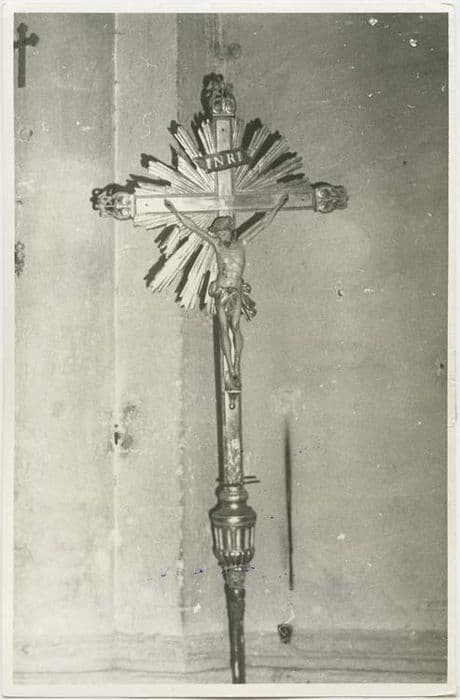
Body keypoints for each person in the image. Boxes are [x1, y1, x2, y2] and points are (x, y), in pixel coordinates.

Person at [164, 193, 288, 389]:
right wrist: (174, 211)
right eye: (217, 233)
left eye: (221, 232)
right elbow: (193, 227)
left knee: (235, 326)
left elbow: (264, 223)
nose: (219, 235)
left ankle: (237, 362)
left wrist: (279, 204)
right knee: (223, 328)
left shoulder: (243, 242)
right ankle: (230, 367)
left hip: (236, 291)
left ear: (230, 230)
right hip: (221, 290)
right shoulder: (217, 245)